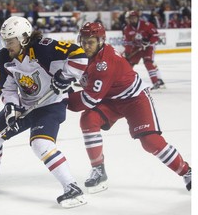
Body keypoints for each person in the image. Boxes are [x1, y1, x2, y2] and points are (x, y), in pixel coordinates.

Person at [0, 16, 88, 208]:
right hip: (26, 105)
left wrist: (65, 76)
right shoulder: (4, 58)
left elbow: (79, 55)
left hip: (51, 103)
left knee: (40, 144)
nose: (7, 45)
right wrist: (11, 107)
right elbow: (7, 88)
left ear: (23, 38)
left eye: (10, 40)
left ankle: (72, 188)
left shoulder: (44, 47)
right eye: (5, 40)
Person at [65, 22, 191, 194]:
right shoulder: (85, 55)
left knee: (150, 142)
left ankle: (187, 172)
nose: (86, 46)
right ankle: (98, 170)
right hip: (110, 99)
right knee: (88, 119)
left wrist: (63, 98)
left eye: (91, 42)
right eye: (84, 41)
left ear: (101, 41)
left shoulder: (104, 64)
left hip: (134, 100)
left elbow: (88, 99)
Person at [123, 11, 165, 90]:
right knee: (128, 64)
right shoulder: (127, 29)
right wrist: (127, 52)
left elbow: (155, 35)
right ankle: (125, 83)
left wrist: (149, 41)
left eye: (134, 18)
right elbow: (128, 42)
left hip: (149, 47)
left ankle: (156, 82)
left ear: (138, 18)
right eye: (131, 18)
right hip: (137, 48)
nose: (132, 20)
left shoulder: (146, 25)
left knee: (148, 62)